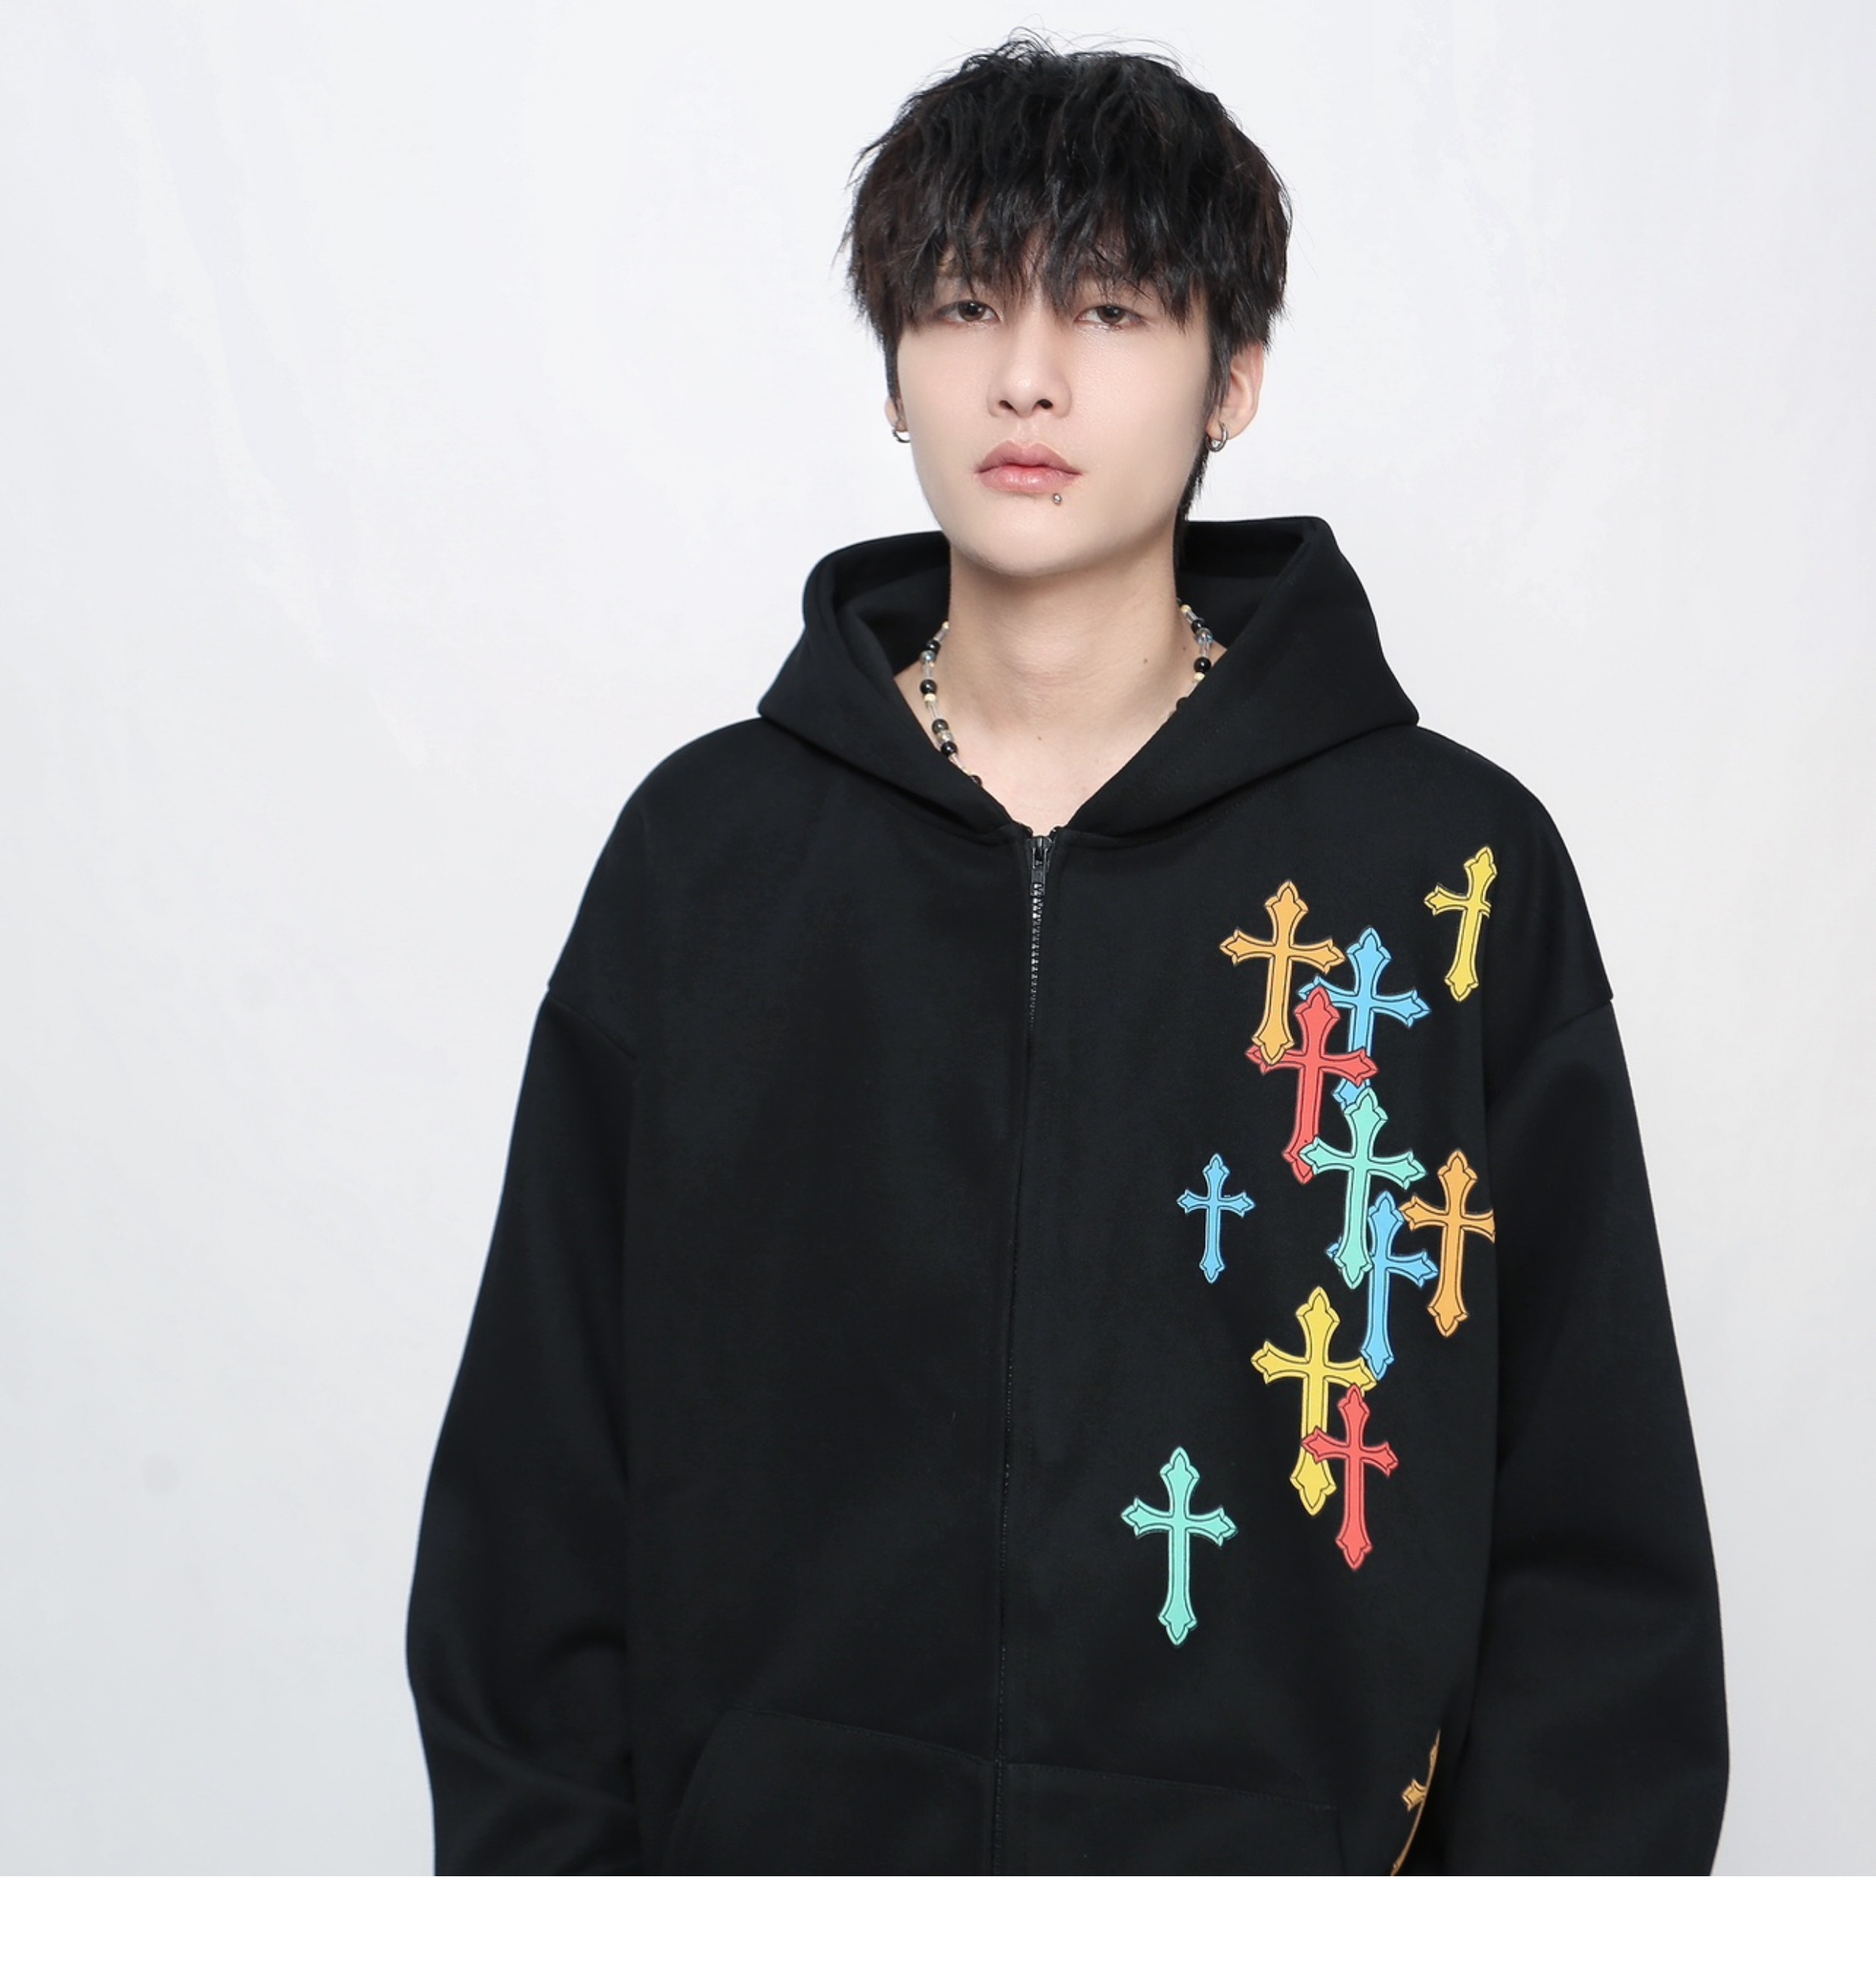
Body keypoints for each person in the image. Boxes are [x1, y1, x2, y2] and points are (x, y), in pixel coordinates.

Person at [405, 34, 1727, 1875]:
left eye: (1107, 307)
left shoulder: (1444, 876)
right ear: (893, 369)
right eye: (962, 304)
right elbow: (538, 1495)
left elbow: (1597, 1540)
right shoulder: (708, 860)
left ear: (1232, 375)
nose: (1024, 374)